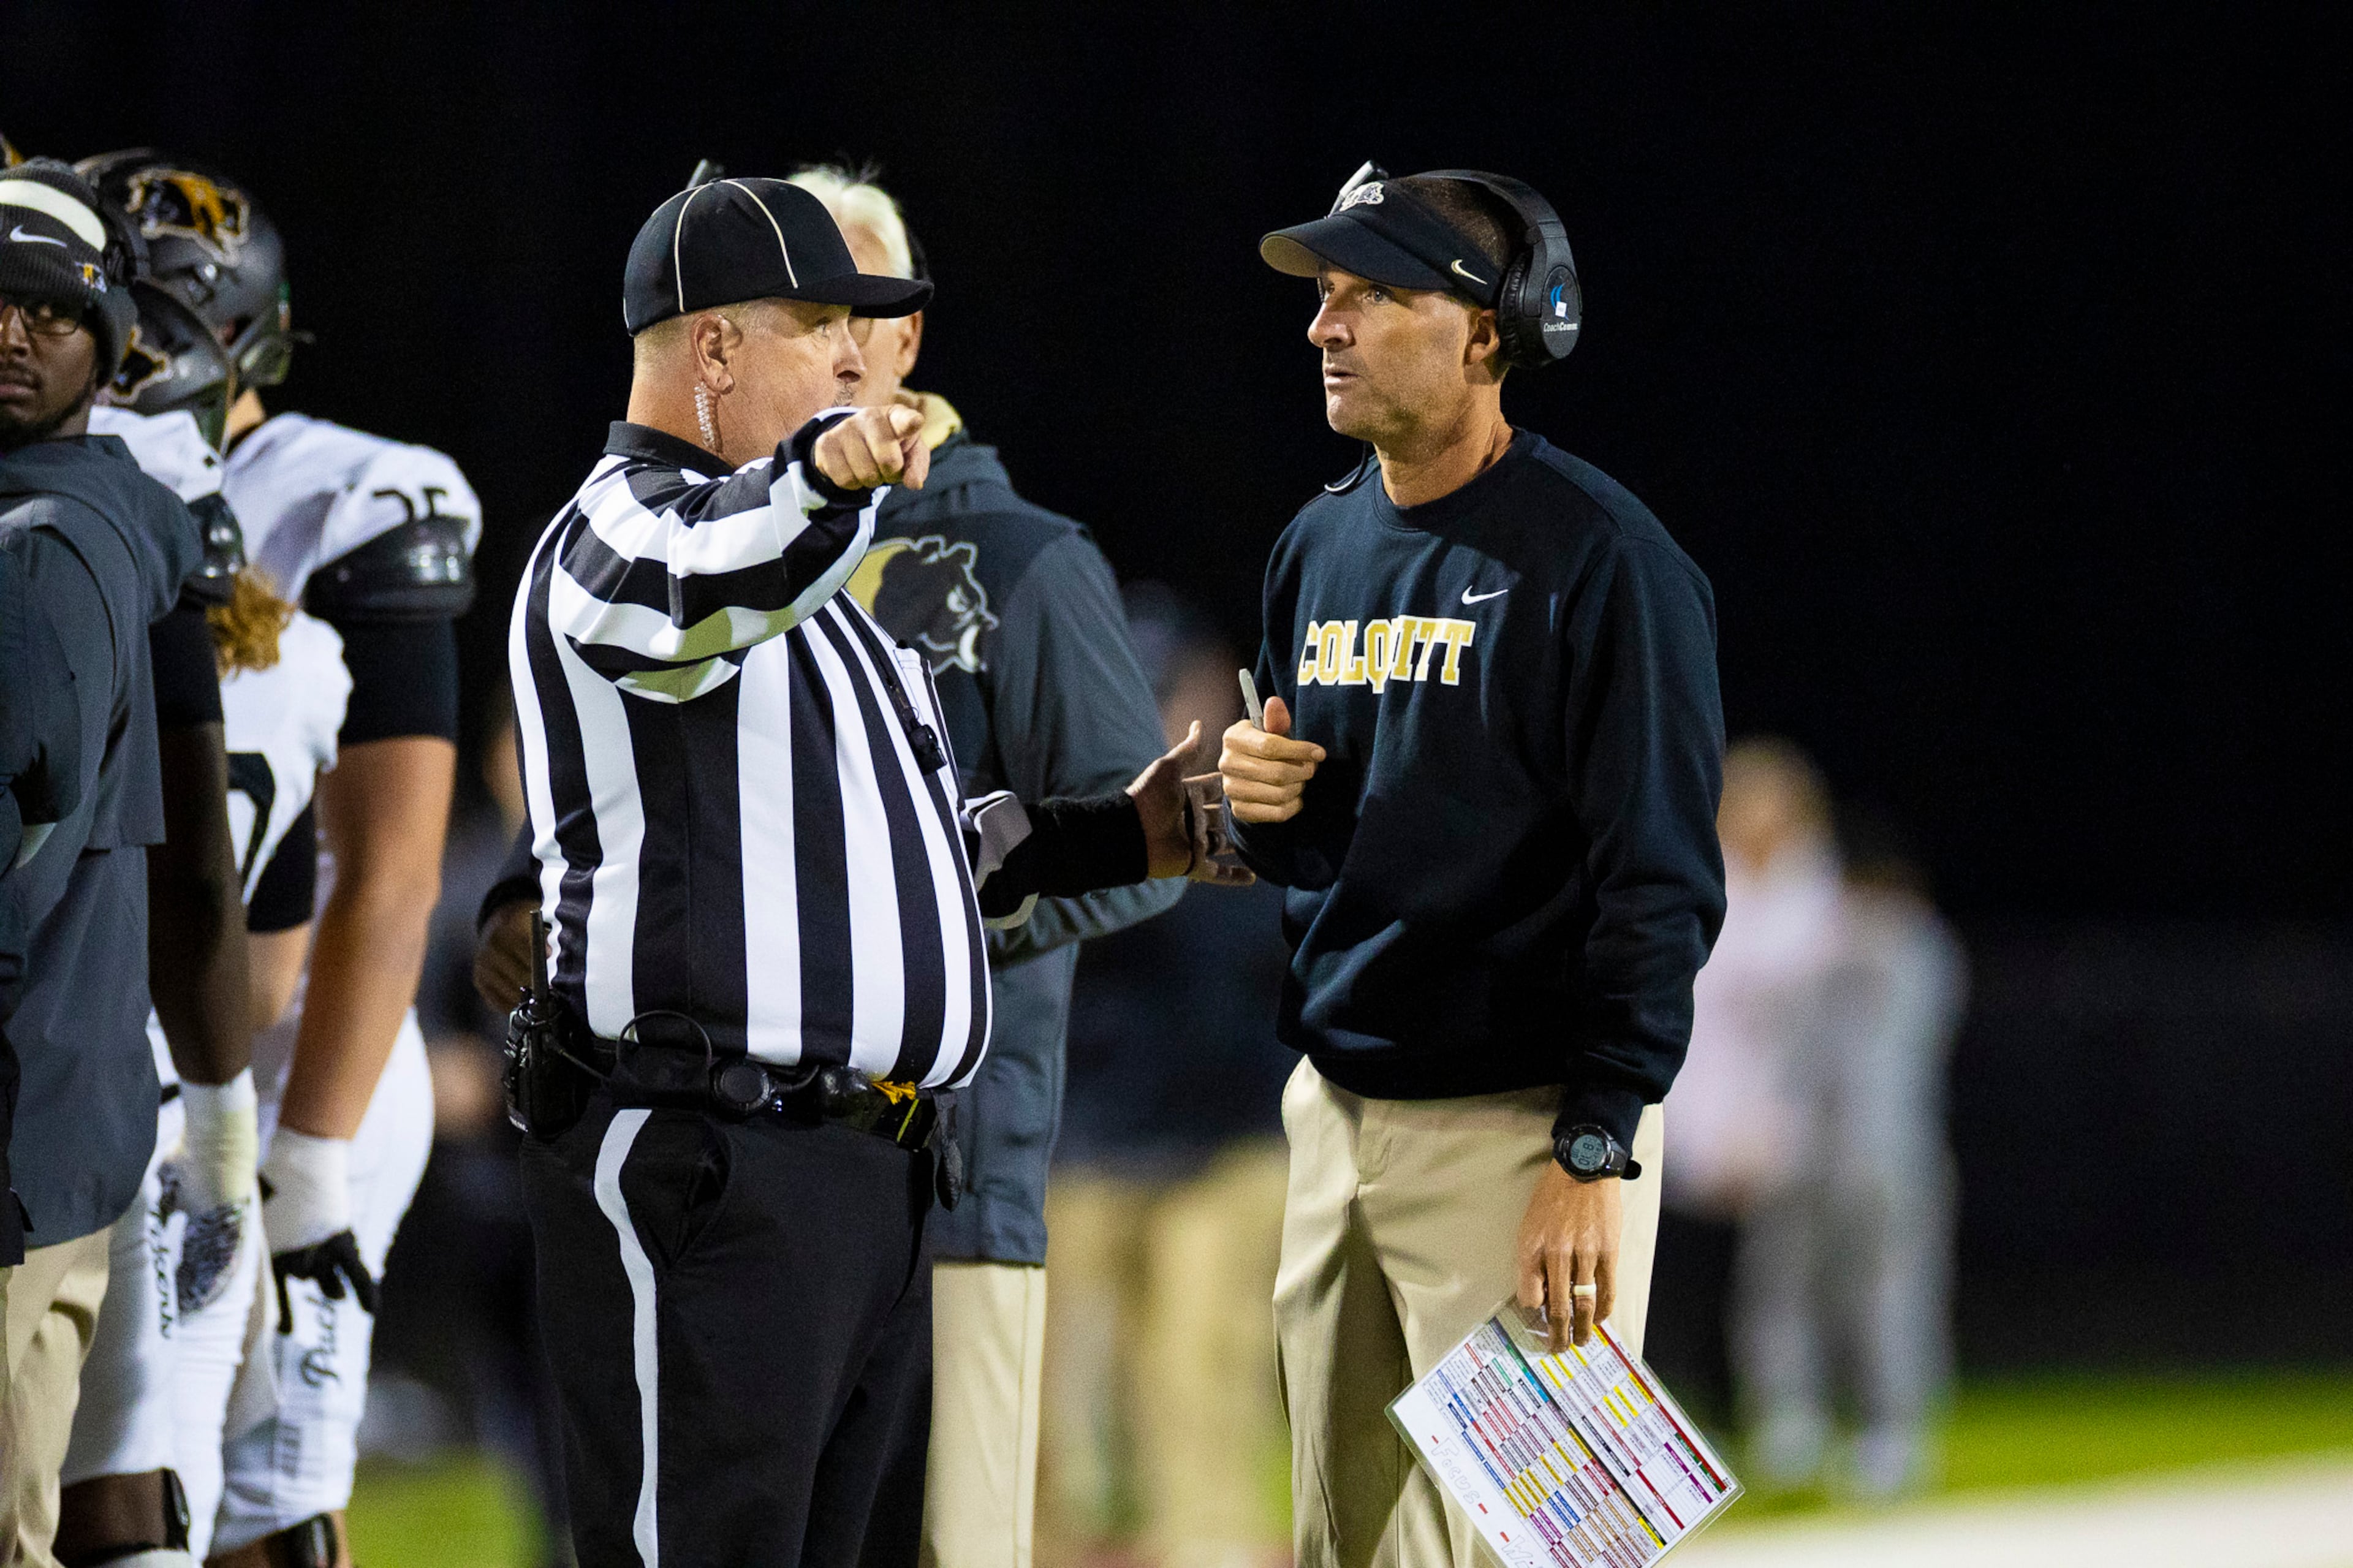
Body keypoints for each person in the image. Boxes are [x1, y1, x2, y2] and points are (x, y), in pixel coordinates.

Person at [504, 173, 1230, 1568]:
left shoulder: (826, 584)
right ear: (710, 351)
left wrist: (1115, 833)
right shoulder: (621, 532)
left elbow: (914, 846)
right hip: (713, 1162)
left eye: (865, 326)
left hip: (866, 1181)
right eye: (817, 323)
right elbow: (701, 576)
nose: (856, 358)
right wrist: (823, 479)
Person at [1216, 164, 1726, 1568]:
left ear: (1493, 330)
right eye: (1324, 298)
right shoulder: (1315, 543)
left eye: (1374, 295)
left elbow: (1663, 881)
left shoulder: (1608, 560)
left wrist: (1597, 1141)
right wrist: (1265, 812)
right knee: (1347, 1547)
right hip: (1337, 1114)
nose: (1328, 326)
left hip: (1524, 1134)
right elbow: (1343, 837)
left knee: (1559, 1551)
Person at [77, 148, 482, 1567]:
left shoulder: (351, 496)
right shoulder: (83, 485)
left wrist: (306, 1152)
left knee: (254, 1486)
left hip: (291, 1049)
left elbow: (387, 871)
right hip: (133, 1044)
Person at [783, 162, 1183, 1568]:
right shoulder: (709, 558)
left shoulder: (1022, 558)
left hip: (947, 1192)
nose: (821, 339)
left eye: (851, 307)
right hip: (739, 1195)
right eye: (784, 305)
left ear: (905, 337)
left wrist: (917, 922)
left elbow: (1151, 849)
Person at [0, 158, 227, 1568]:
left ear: (112, 343)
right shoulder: (105, 513)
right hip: (67, 1114)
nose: (11, 335)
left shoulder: (40, 551)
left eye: (47, 312)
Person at [1040, 584, 1295, 1568]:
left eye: (1171, 693)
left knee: (1198, 1385)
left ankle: (1212, 1549)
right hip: (1086, 1149)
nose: (1161, 721)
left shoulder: (1268, 814)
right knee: (1045, 1410)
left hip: (1227, 1147)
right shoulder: (1077, 814)